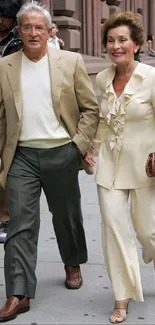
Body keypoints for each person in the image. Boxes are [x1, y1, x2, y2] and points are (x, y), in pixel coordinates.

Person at [0, 1, 99, 322]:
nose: (32, 33)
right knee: (19, 225)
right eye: (26, 27)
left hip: (61, 152)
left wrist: (77, 146)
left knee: (67, 217)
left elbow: (90, 109)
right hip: (21, 157)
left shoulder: (69, 62)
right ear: (18, 30)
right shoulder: (5, 66)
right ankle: (18, 292)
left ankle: (72, 262)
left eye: (38, 27)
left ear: (50, 31)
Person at [85, 11, 155, 324]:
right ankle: (121, 297)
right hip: (110, 168)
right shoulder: (102, 78)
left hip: (144, 167)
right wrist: (92, 149)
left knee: (147, 231)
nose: (115, 45)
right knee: (114, 231)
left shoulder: (151, 78)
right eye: (111, 40)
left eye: (122, 40)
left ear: (136, 44)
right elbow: (103, 120)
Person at [0, 0, 23, 243]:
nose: (0, 20)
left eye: (4, 16)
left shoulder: (18, 43)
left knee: (5, 166)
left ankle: (5, 217)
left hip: (10, 110)